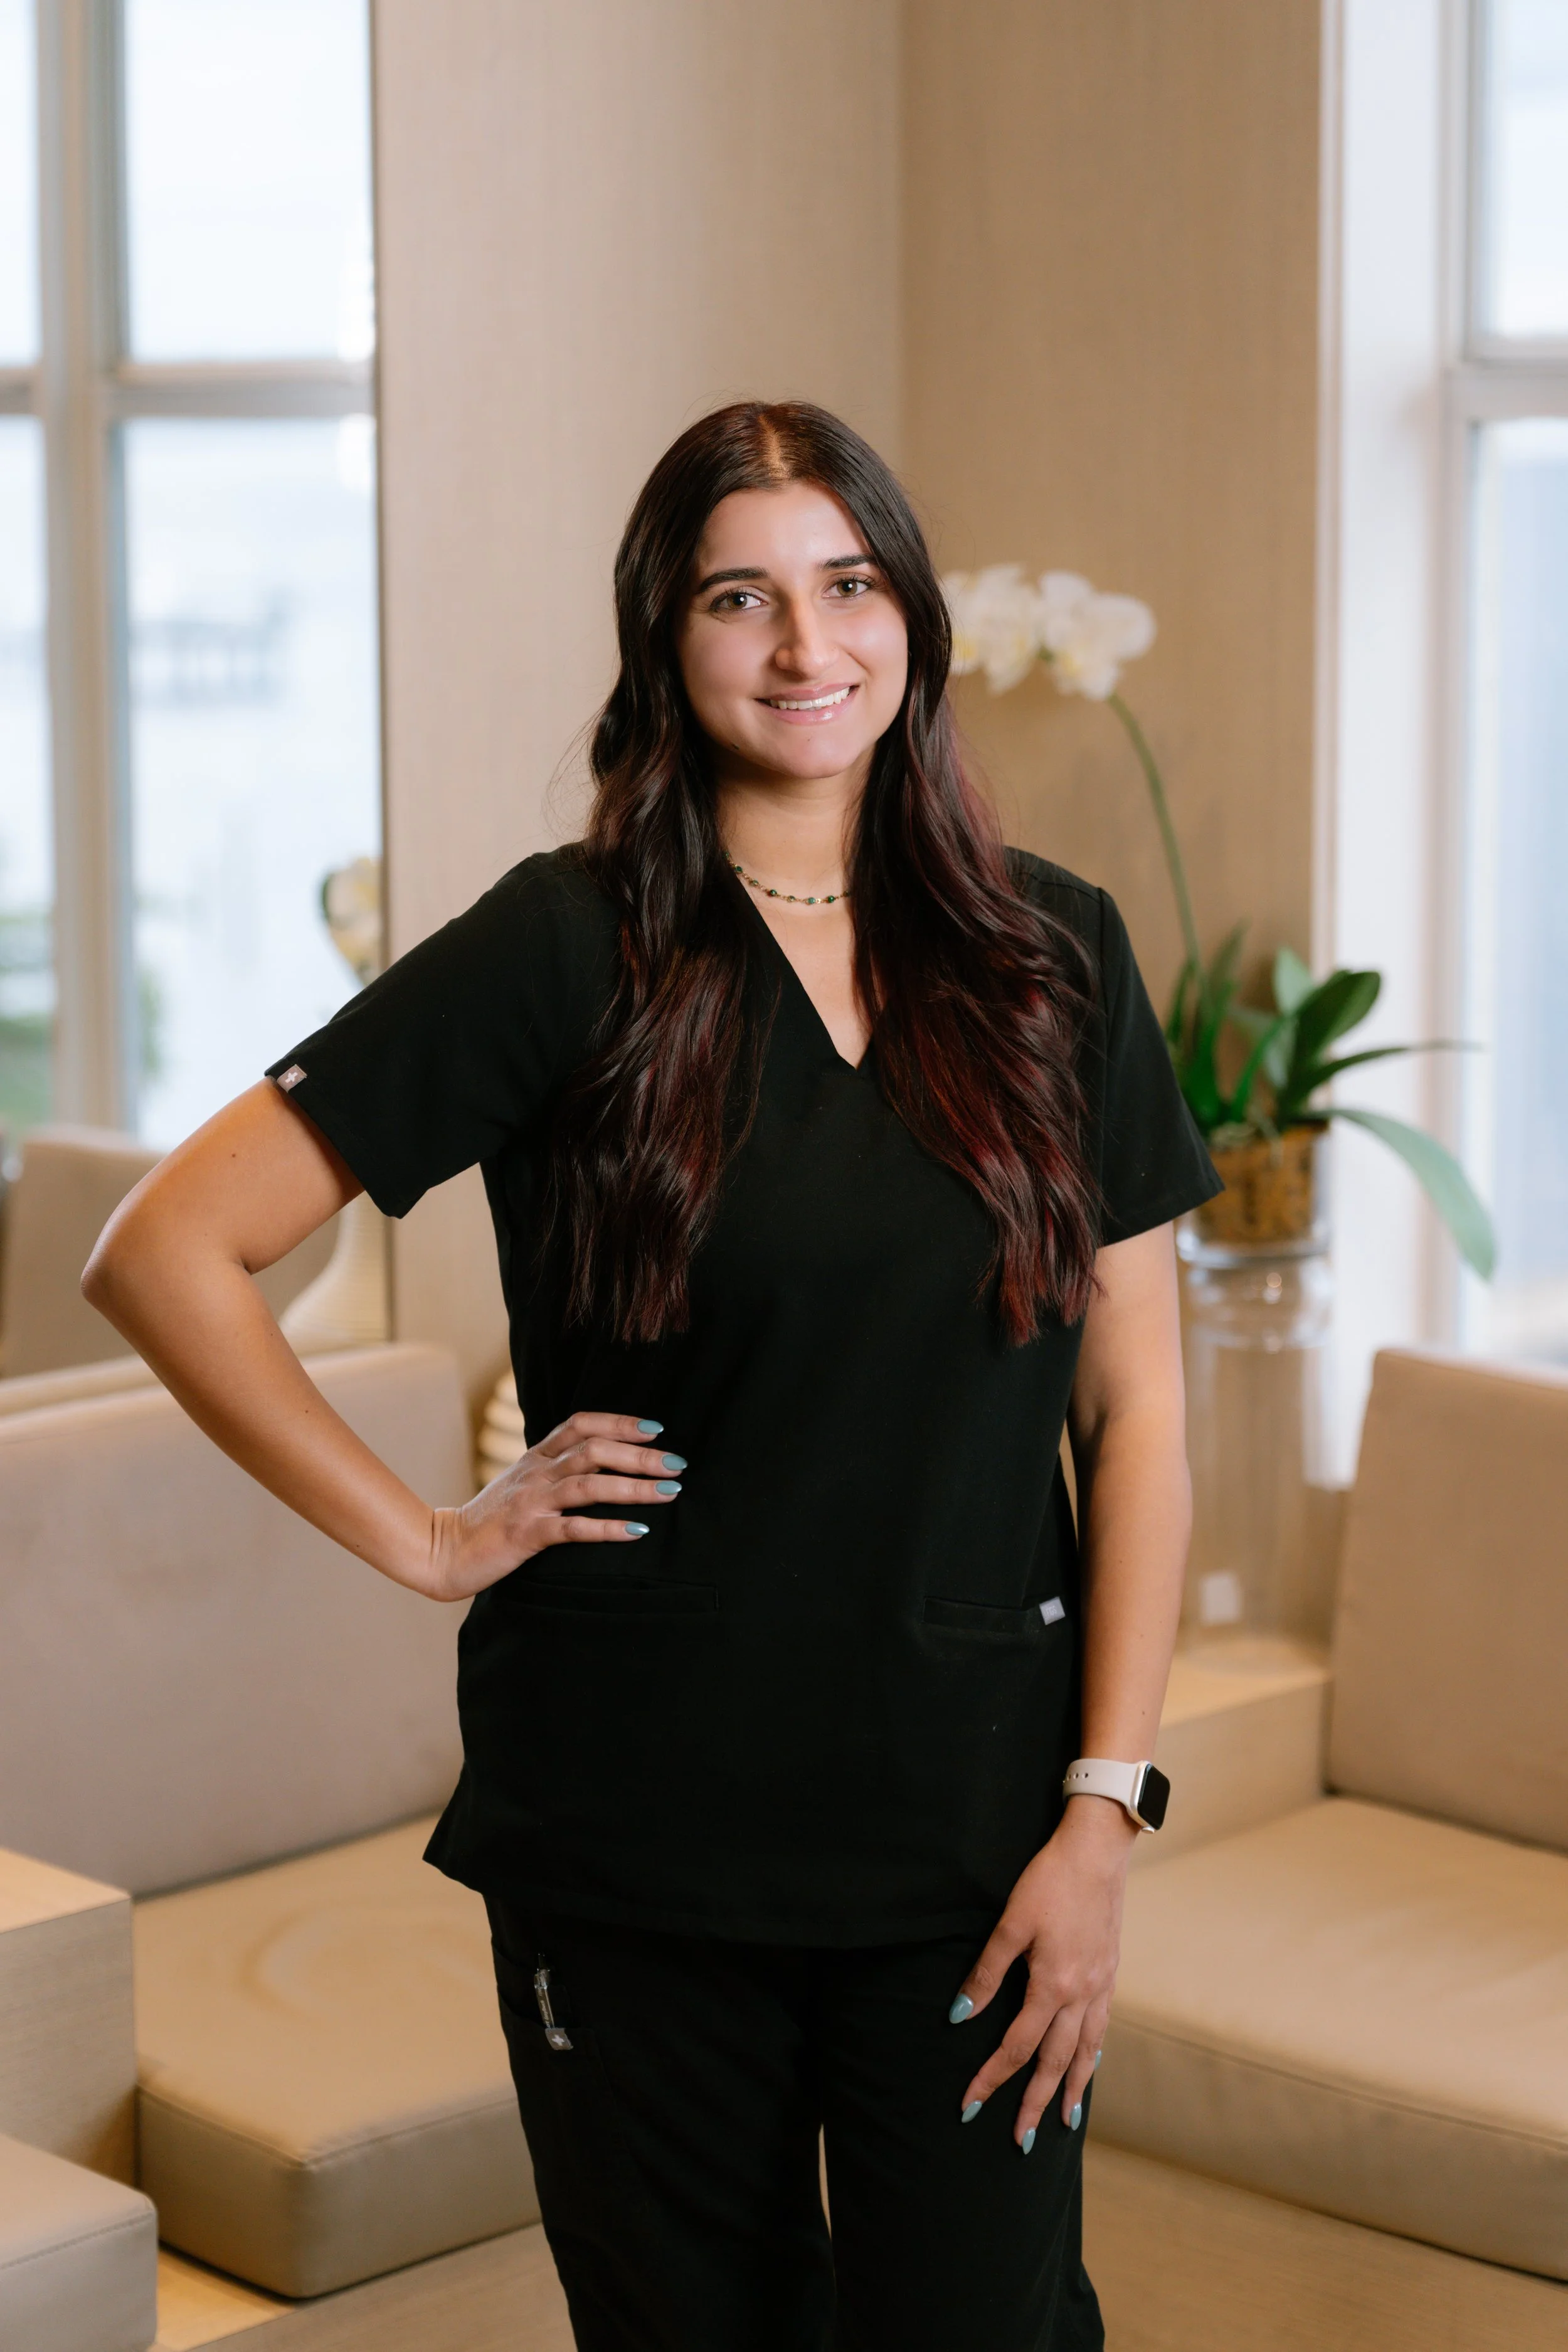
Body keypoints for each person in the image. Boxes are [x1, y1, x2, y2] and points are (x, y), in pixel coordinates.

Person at [85, 400, 1218, 2352]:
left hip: (973, 1839)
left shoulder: (1058, 957)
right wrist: (428, 1536)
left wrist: (1101, 1813)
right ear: (663, 642)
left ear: (912, 617)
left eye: (848, 585)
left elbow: (1137, 1422)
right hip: (640, 1835)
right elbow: (165, 1247)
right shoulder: (565, 947)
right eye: (739, 597)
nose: (807, 645)